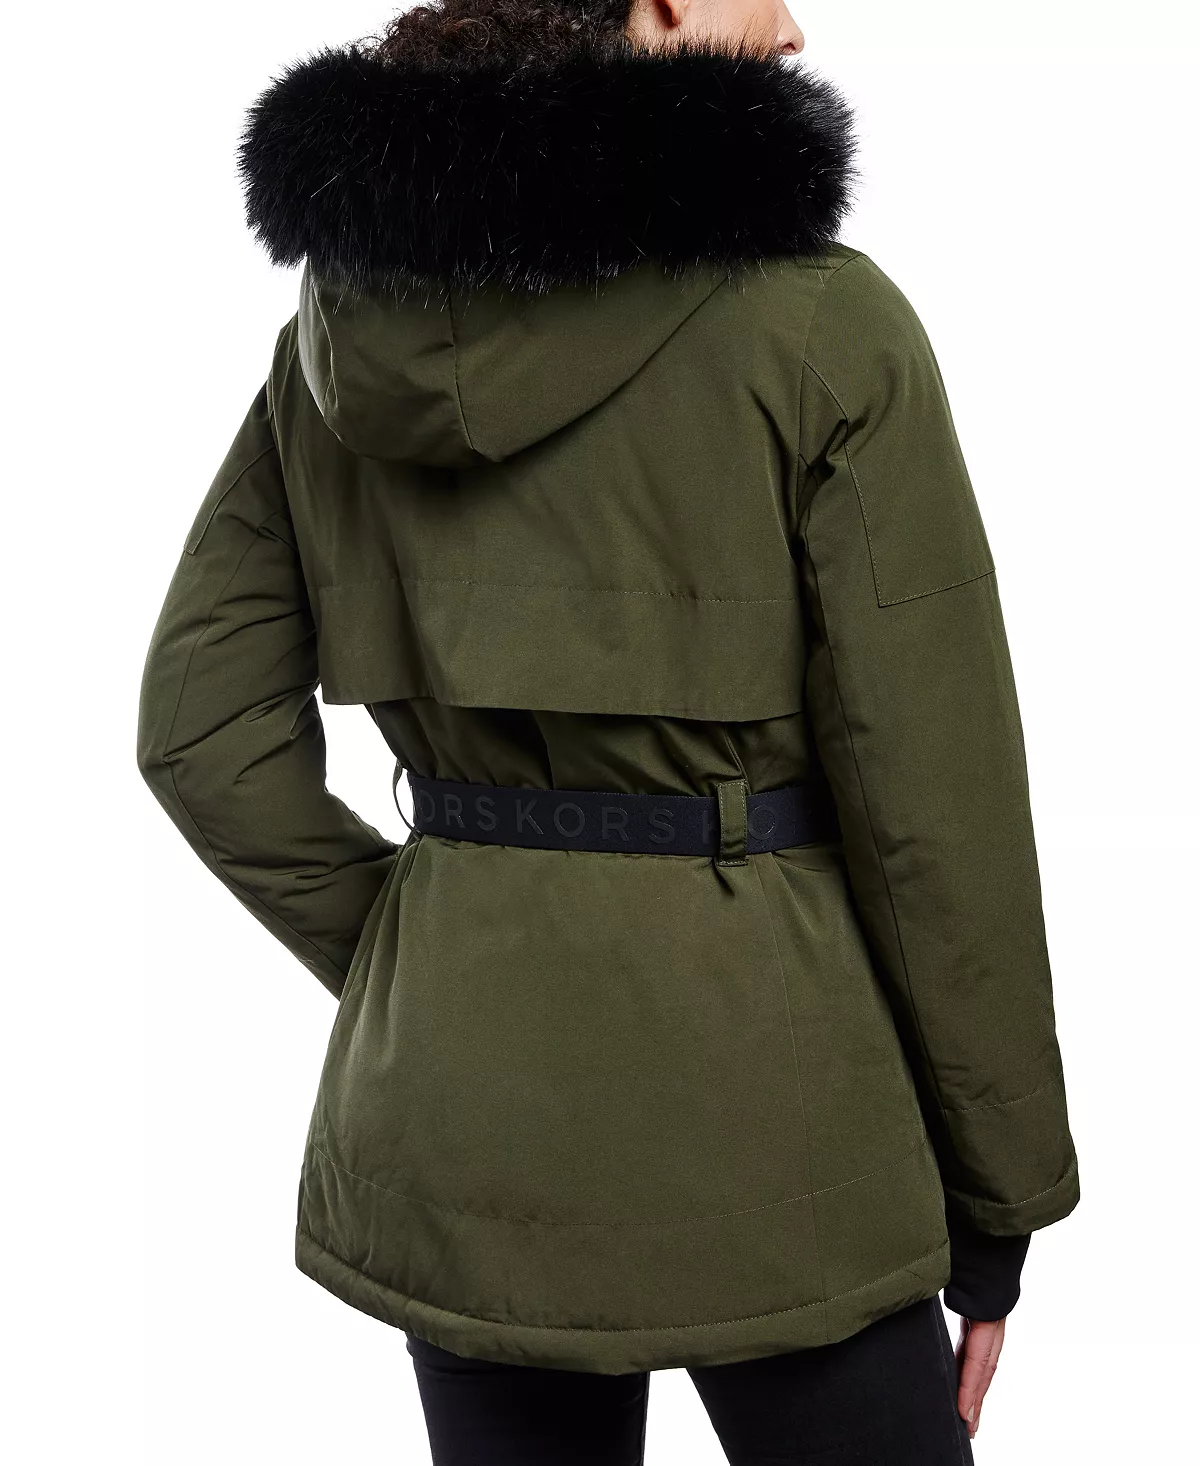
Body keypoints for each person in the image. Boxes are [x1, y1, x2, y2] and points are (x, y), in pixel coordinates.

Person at [136, 0, 1080, 1459]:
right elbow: (937, 809)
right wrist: (1003, 1195)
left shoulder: (331, 349)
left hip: (462, 1124)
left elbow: (199, 733)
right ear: (661, 5)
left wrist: (423, 945)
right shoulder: (821, 325)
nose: (793, 28)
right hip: (779, 1121)